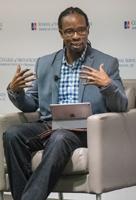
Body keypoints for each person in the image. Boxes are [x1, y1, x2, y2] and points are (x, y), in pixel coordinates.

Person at [3, 7, 128, 200]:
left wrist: (108, 85)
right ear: (61, 33)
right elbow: (31, 104)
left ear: (88, 30)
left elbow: (121, 106)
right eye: (70, 31)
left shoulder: (106, 62)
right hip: (50, 125)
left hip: (86, 129)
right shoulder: (45, 63)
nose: (77, 36)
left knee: (60, 136)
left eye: (81, 30)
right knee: (12, 134)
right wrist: (16, 91)